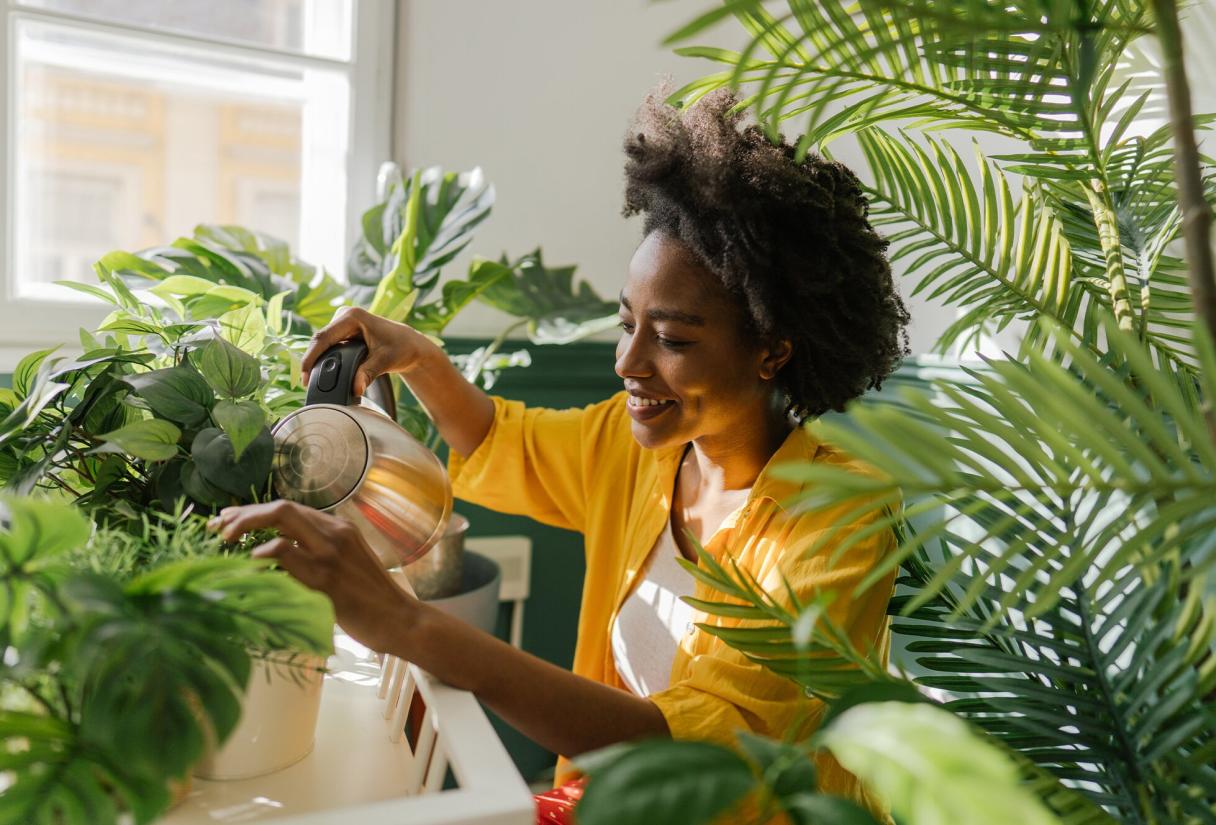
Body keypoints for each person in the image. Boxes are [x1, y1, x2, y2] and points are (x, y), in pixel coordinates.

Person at [207, 88, 909, 821]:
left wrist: (407, 623)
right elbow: (503, 441)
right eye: (626, 323)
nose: (627, 362)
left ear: (772, 351)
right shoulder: (644, 448)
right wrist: (418, 356)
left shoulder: (840, 516)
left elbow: (695, 757)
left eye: (670, 340)